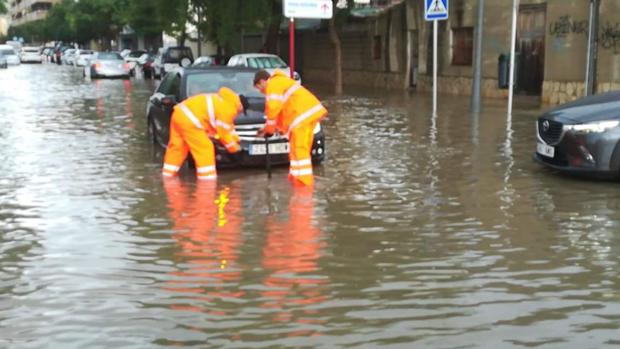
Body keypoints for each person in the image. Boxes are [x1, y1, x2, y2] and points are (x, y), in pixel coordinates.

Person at [253, 69, 327, 186]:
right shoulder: (280, 83)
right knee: (297, 151)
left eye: (259, 87)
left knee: (299, 150)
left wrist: (270, 130)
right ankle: (297, 181)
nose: (261, 91)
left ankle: (304, 186)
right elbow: (280, 112)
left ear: (262, 81)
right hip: (304, 118)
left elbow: (272, 109)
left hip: (301, 119)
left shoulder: (273, 84)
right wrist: (267, 129)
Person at [162, 87, 250, 180]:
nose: (239, 114)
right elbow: (223, 133)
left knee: (178, 147)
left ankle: (167, 176)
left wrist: (237, 139)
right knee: (205, 148)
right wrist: (234, 148)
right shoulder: (229, 110)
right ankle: (207, 180)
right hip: (191, 121)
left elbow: (229, 128)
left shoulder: (225, 101)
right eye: (241, 112)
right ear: (240, 106)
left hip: (178, 114)